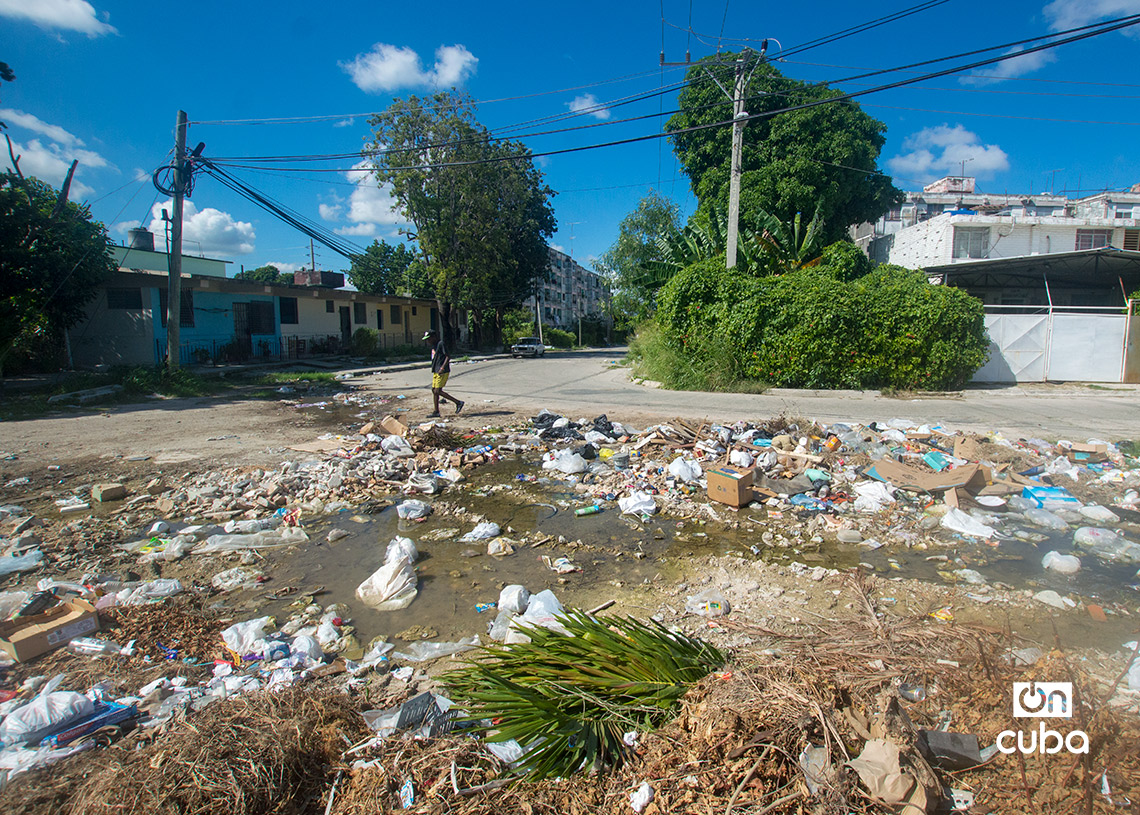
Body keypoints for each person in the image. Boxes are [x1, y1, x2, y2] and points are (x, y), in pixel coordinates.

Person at [422, 329, 463, 417]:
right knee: (434, 390)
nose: (428, 341)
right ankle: (436, 411)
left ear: (434, 337)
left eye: (429, 339)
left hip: (442, 371)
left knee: (438, 391)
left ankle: (458, 402)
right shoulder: (434, 346)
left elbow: (448, 356)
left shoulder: (441, 344)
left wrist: (442, 367)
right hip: (436, 371)